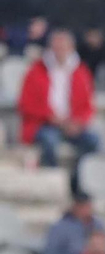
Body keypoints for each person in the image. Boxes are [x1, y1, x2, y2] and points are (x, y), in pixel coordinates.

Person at [21, 26, 97, 167]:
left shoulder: (81, 72)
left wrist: (78, 123)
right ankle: (52, 179)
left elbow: (88, 105)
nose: (60, 51)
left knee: (93, 140)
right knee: (49, 140)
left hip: (72, 124)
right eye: (57, 47)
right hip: (44, 124)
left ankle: (77, 181)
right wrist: (51, 117)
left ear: (71, 48)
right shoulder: (36, 71)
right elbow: (26, 104)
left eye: (64, 47)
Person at [41, 191, 105, 254]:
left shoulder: (98, 225)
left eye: (87, 205)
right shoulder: (60, 228)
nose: (84, 209)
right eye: (81, 205)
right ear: (75, 206)